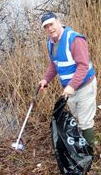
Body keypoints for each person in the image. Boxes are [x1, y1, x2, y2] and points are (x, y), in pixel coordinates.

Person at [39, 12, 97, 151]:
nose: (50, 29)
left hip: (84, 86)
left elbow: (83, 66)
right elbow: (55, 65)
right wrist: (46, 79)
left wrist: (72, 85)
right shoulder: (51, 42)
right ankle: (89, 139)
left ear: (59, 22)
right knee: (78, 116)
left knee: (84, 121)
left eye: (51, 24)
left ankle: (91, 150)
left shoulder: (74, 39)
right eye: (46, 27)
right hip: (69, 89)